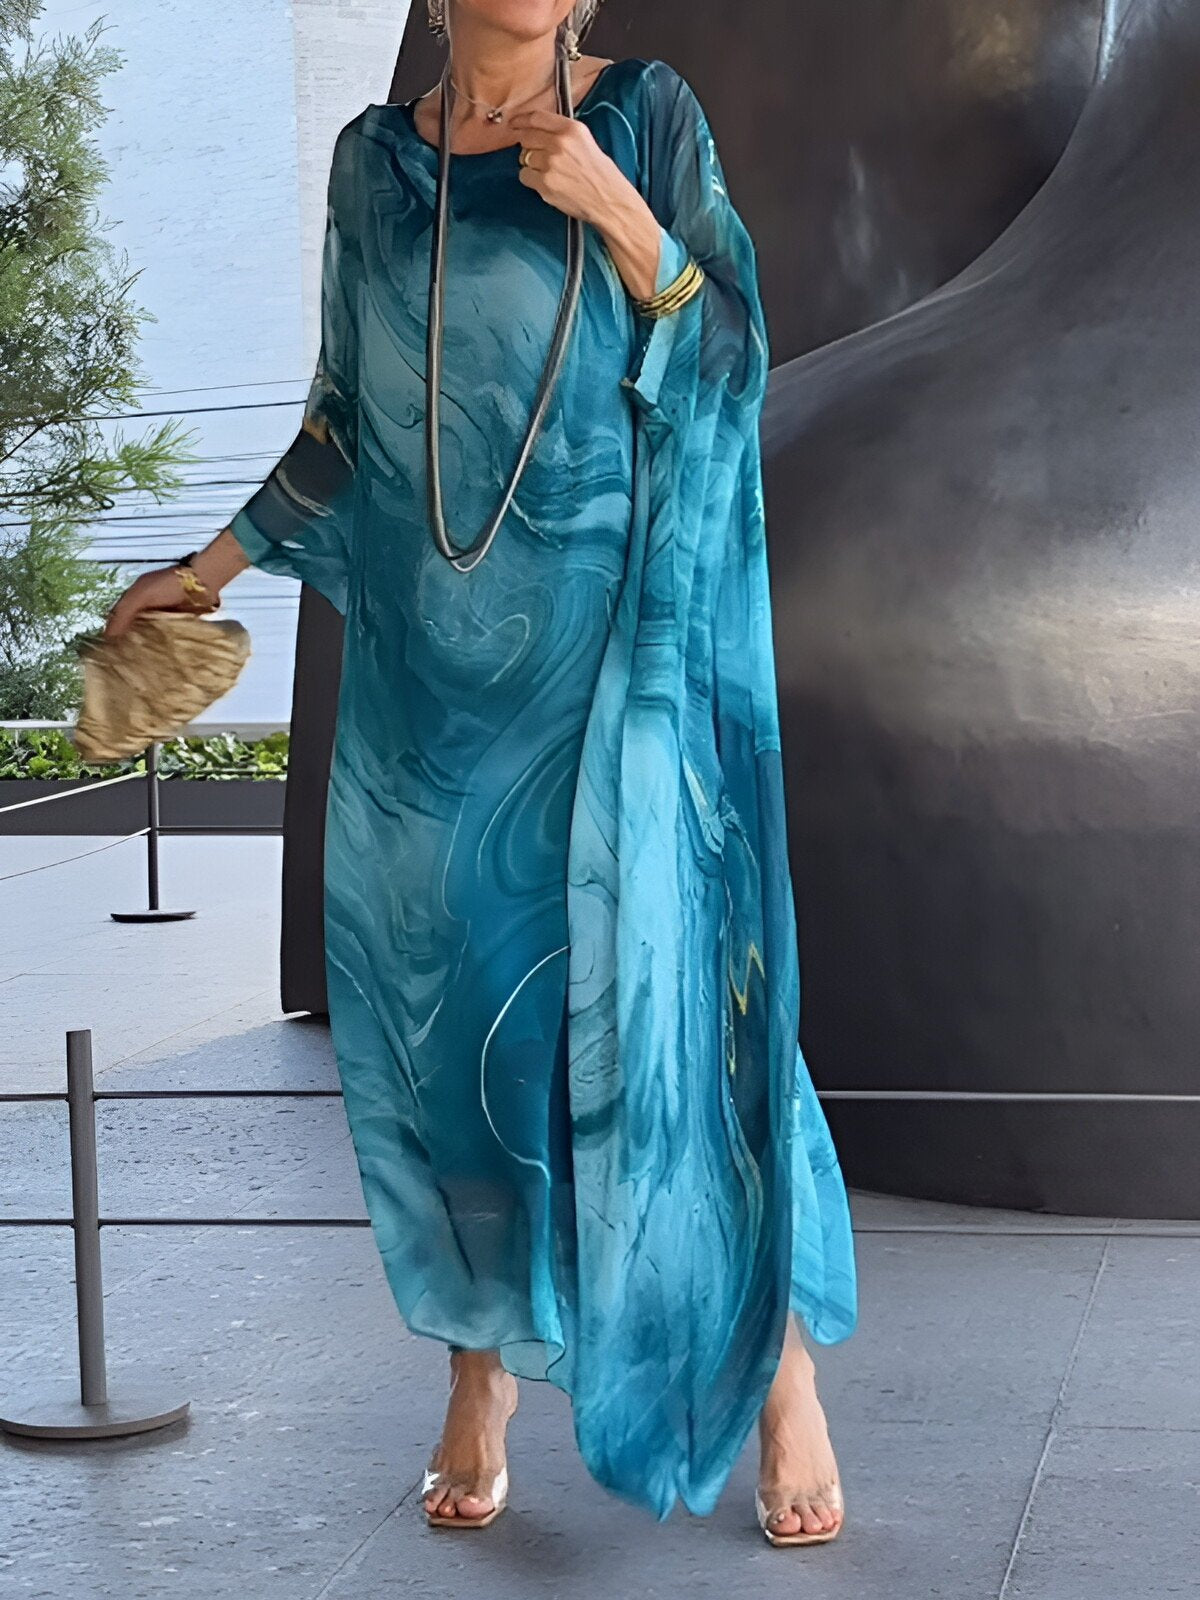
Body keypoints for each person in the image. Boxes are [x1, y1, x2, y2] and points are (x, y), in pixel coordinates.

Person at [104, 0, 858, 1543]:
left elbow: (734, 361)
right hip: (429, 704)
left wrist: (626, 220)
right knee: (456, 1043)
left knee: (675, 1018)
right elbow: (341, 429)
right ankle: (477, 1365)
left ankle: (772, 1367)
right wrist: (206, 569)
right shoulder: (373, 166)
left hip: (619, 674)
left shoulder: (647, 118)